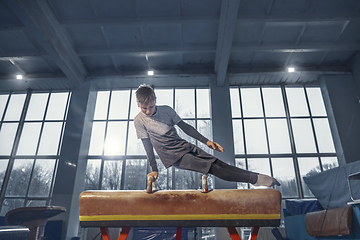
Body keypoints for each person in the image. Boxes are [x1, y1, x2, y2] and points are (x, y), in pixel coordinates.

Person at [134, 84, 280, 187]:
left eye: (151, 107)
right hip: (173, 157)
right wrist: (154, 169)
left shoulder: (167, 110)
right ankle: (254, 179)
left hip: (184, 145)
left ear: (155, 100)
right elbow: (148, 147)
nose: (148, 111)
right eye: (144, 108)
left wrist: (207, 141)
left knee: (218, 163)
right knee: (213, 168)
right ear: (138, 105)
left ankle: (255, 177)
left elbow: (185, 127)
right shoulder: (139, 121)